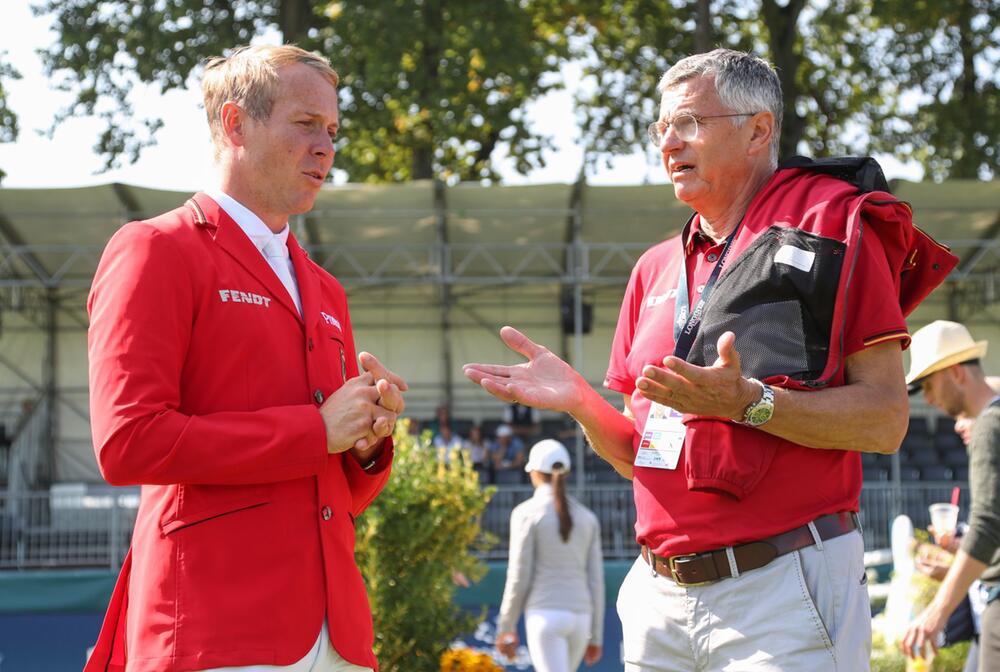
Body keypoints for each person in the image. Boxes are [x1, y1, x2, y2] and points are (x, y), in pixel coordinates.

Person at [466, 48, 954, 670]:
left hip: (783, 587)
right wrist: (580, 403)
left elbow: (886, 421)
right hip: (657, 598)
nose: (670, 142)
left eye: (691, 122)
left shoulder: (831, 229)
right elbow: (638, 454)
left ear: (759, 130)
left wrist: (749, 404)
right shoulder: (652, 268)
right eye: (661, 127)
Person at [84, 45, 407, 672]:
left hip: (335, 633)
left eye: (333, 131)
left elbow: (322, 483)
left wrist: (367, 438)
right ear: (236, 125)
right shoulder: (155, 249)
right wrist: (316, 430)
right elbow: (127, 442)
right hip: (214, 624)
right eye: (306, 124)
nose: (326, 147)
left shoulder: (326, 288)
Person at [902, 321, 1000, 670]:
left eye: (928, 384)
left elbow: (988, 525)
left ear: (957, 373)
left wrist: (936, 613)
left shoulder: (990, 425)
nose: (927, 399)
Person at [496, 439, 604, 672]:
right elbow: (596, 582)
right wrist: (596, 636)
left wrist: (506, 625)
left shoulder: (525, 513)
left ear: (534, 472)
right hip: (581, 618)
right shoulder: (588, 518)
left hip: (544, 615)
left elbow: (519, 575)